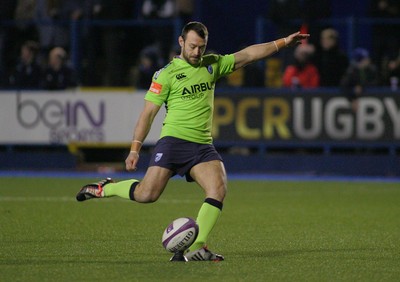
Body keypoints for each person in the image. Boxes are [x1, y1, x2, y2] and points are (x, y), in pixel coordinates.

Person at [75, 22, 309, 261]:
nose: (197, 52)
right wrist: (134, 149)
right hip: (173, 142)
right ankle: (107, 188)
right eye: (193, 46)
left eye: (202, 47)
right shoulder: (166, 74)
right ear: (181, 42)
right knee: (147, 194)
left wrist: (282, 43)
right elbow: (148, 114)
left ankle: (197, 246)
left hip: (203, 146)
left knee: (218, 189)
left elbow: (248, 54)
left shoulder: (212, 65)